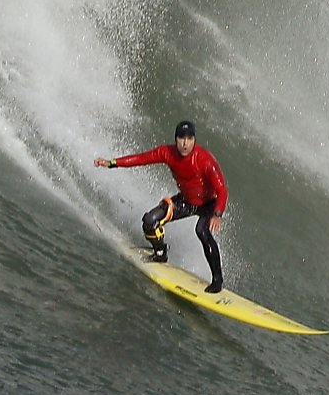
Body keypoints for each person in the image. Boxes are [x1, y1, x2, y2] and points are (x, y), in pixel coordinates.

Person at [96, 120, 231, 293]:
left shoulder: (205, 160)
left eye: (189, 139)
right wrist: (112, 163)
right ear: (175, 139)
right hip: (186, 201)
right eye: (181, 138)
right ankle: (160, 253)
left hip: (209, 204)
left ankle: (217, 280)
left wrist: (217, 214)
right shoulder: (167, 153)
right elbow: (141, 159)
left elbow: (222, 190)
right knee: (150, 221)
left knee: (201, 231)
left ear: (194, 140)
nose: (185, 143)